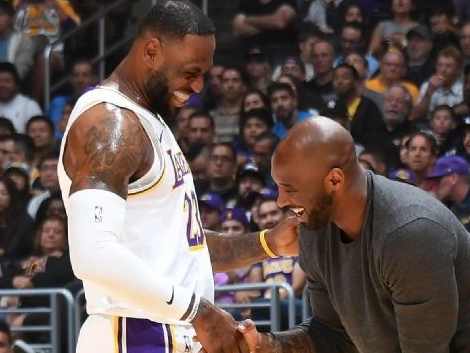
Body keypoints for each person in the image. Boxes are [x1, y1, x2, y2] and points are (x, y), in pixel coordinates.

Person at [56, 2, 298, 353]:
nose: (198, 86)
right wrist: (198, 311)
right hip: (134, 334)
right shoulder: (111, 123)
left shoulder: (147, 120)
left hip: (164, 331)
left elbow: (185, 251)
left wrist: (269, 243)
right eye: (190, 72)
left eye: (203, 74)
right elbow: (93, 254)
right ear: (152, 51)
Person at [238, 116, 470, 352]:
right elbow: (332, 334)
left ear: (334, 180)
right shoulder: (314, 228)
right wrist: (266, 346)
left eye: (289, 189)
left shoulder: (410, 232)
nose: (280, 201)